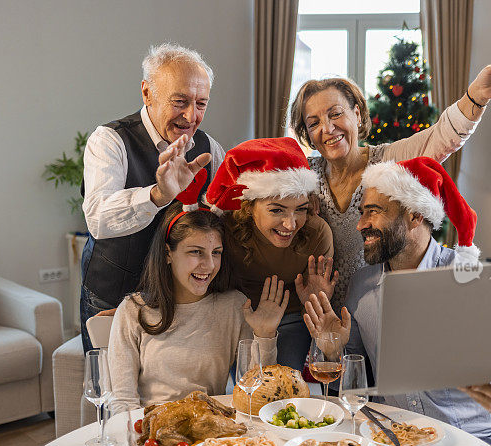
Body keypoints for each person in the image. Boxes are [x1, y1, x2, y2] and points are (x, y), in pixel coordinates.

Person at [302, 157, 491, 446]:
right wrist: (332, 351)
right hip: (395, 439)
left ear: (415, 215)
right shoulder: (363, 285)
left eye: (373, 212)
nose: (361, 224)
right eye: (362, 213)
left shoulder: (470, 277)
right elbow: (355, 382)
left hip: (475, 442)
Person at [289, 53, 491, 308]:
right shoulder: (304, 175)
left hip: (375, 311)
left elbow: (441, 137)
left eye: (335, 114)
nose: (327, 128)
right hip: (316, 311)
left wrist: (476, 97)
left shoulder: (388, 161)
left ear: (357, 114)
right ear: (309, 135)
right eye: (314, 123)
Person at [80, 43, 225, 352]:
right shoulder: (110, 140)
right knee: (113, 391)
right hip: (114, 294)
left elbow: (222, 220)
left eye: (201, 103)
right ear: (147, 93)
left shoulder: (210, 149)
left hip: (178, 300)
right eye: (180, 101)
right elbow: (98, 218)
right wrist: (158, 195)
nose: (191, 115)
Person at [106, 200, 286, 410]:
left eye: (216, 252)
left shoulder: (234, 306)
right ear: (167, 254)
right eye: (196, 252)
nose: (209, 265)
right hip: (151, 430)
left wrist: (264, 335)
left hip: (209, 430)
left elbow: (255, 393)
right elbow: (122, 402)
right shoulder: (132, 310)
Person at [203, 137, 338, 371]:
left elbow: (323, 328)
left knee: (282, 385)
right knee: (250, 386)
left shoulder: (316, 233)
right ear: (249, 206)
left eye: (301, 210)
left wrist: (317, 302)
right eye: (277, 210)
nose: (290, 224)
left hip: (292, 317)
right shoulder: (225, 229)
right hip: (240, 316)